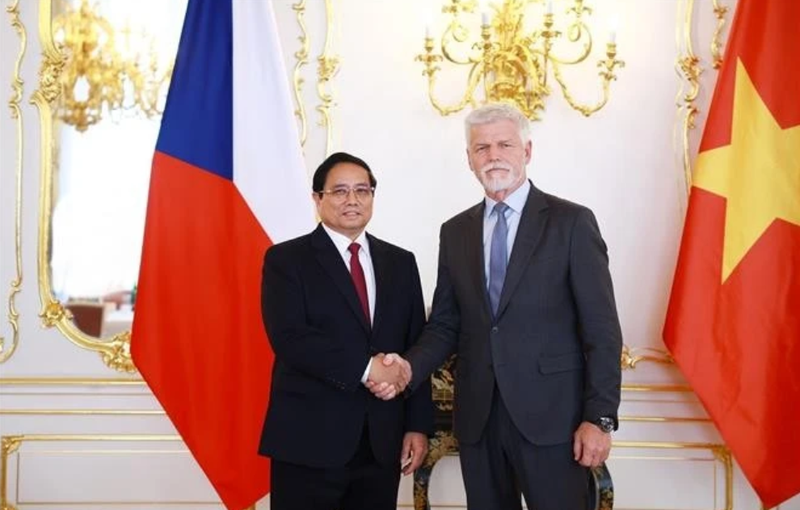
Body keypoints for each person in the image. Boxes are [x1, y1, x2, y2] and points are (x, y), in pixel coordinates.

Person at [370, 103, 623, 509]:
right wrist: (407, 368)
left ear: (527, 150)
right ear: (469, 159)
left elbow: (602, 329)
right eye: (482, 147)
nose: (493, 156)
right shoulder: (455, 232)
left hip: (554, 421)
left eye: (504, 144)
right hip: (479, 420)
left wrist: (600, 418)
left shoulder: (571, 222)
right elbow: (445, 325)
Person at [258, 152, 433, 510]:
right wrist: (369, 368)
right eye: (339, 191)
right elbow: (290, 338)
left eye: (362, 190)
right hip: (309, 441)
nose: (352, 200)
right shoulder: (286, 261)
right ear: (317, 198)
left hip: (381, 443)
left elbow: (415, 343)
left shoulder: (401, 262)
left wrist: (417, 425)